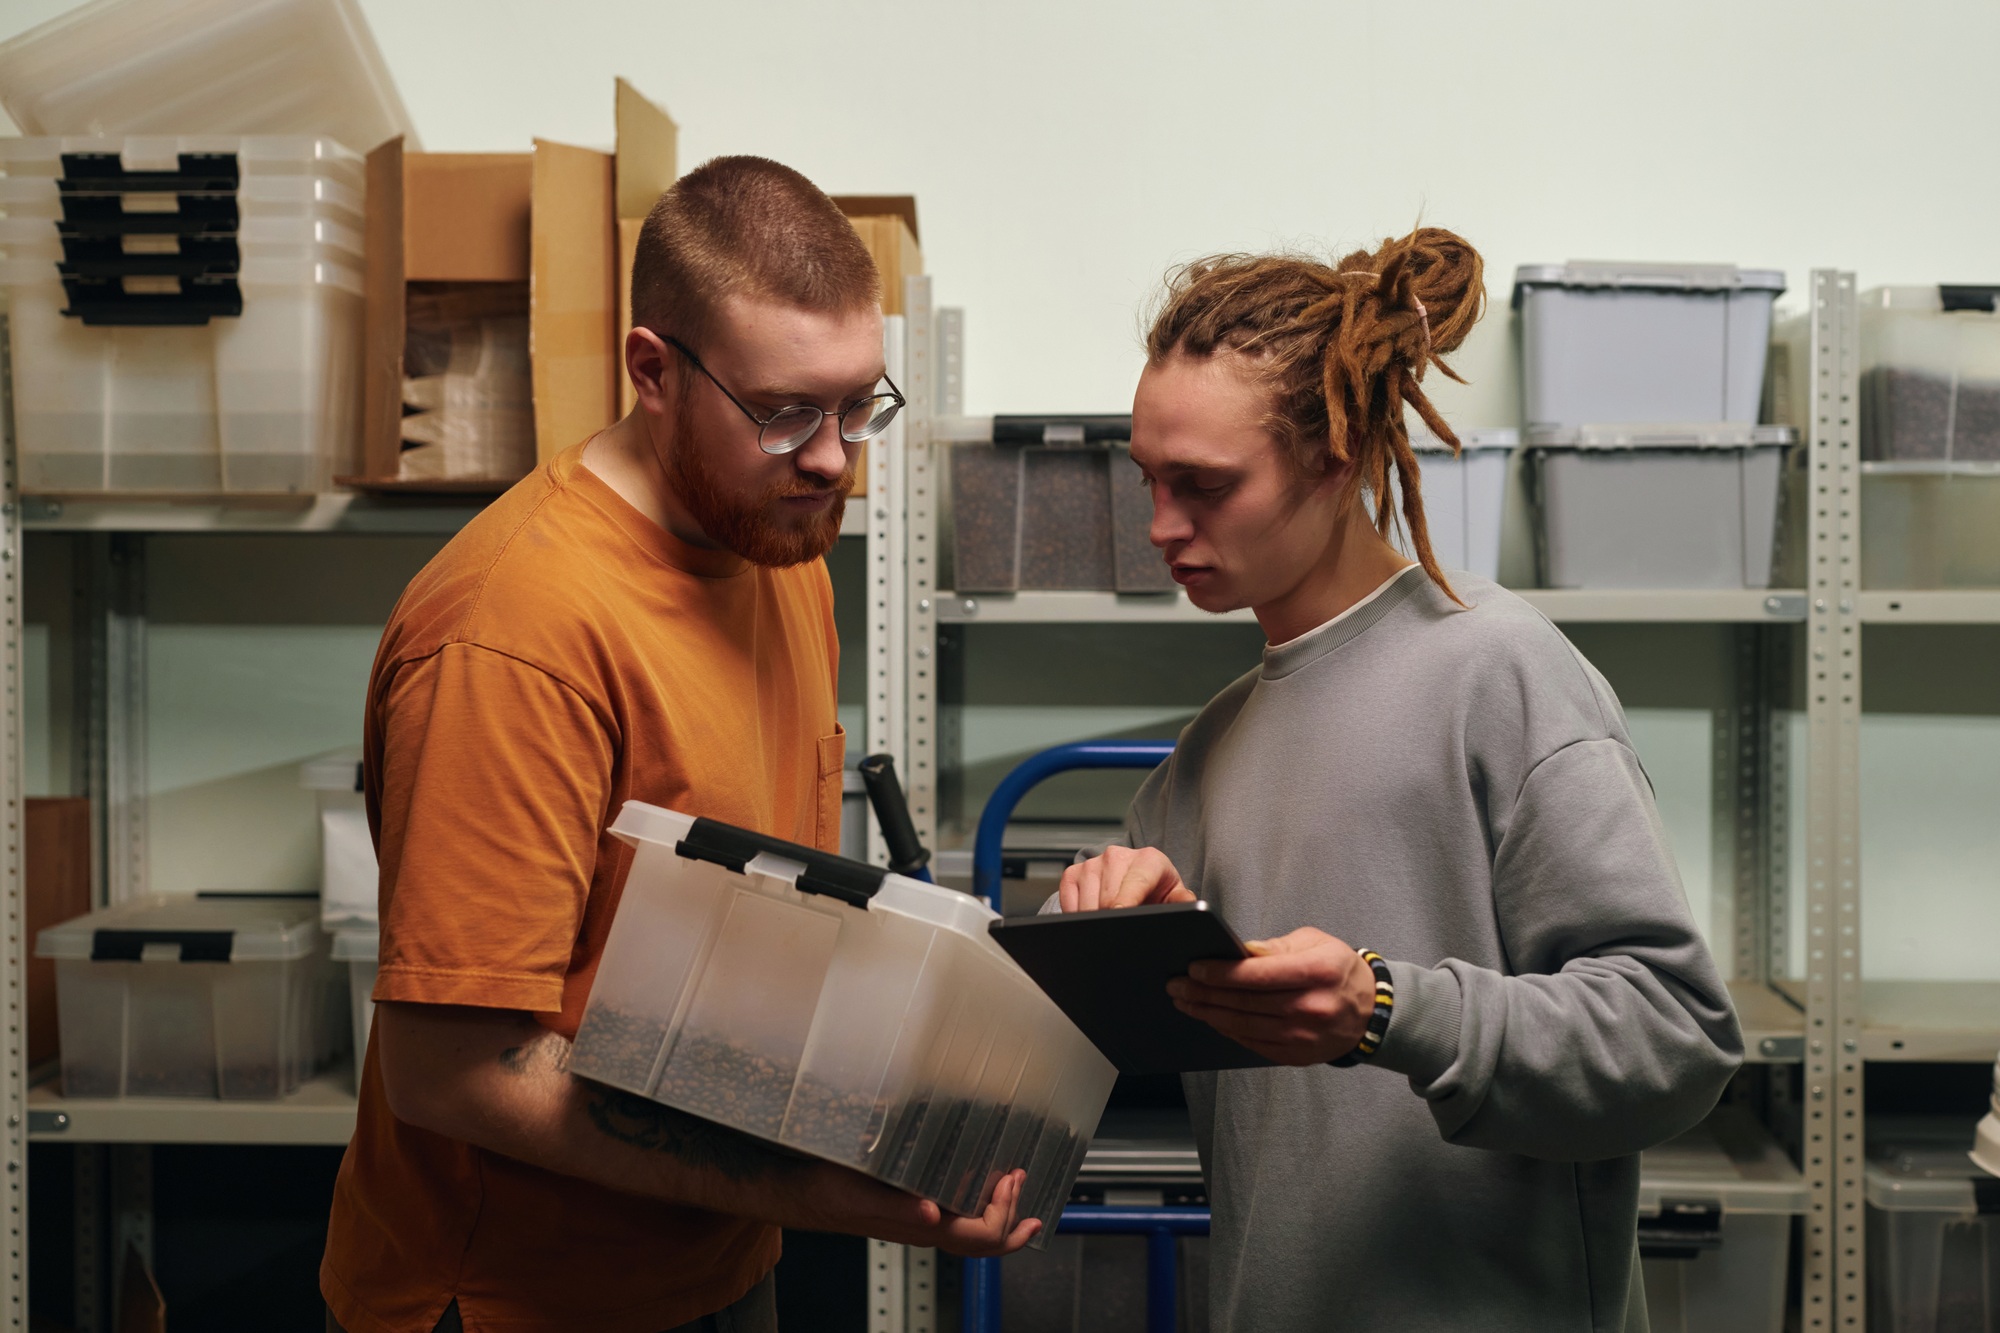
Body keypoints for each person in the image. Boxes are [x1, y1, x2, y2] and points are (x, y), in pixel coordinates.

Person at [321, 157, 1038, 1333]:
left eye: (859, 404)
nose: (831, 457)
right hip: (519, 1296)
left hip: (712, 1265)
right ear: (651, 370)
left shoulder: (775, 545)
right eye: (784, 412)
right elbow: (454, 1074)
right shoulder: (517, 632)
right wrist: (822, 1185)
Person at [1053, 228, 1743, 1330]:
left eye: (1202, 485)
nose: (1158, 526)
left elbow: (1675, 1038)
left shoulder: (1501, 673)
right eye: (1147, 480)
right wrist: (1095, 941)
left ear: (1335, 451)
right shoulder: (1201, 757)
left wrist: (1388, 1008)